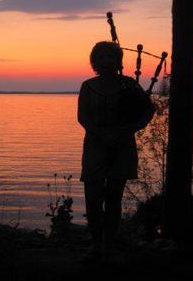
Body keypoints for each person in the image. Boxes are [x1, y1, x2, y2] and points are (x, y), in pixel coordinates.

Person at [77, 41, 155, 263]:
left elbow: (148, 109)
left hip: (122, 147)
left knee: (113, 198)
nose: (105, 61)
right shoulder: (87, 86)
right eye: (100, 57)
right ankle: (95, 246)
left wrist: (131, 128)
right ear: (94, 61)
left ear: (117, 61)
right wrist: (101, 134)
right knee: (93, 199)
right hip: (94, 148)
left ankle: (108, 246)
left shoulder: (128, 85)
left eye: (109, 57)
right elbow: (82, 117)